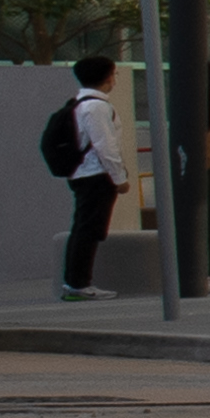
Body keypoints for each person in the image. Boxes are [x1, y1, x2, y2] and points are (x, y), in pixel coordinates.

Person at [44, 45, 120, 299]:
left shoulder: (78, 103)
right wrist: (120, 178)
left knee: (82, 228)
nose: (114, 79)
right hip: (96, 176)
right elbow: (105, 146)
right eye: (114, 74)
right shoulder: (97, 107)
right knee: (89, 230)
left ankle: (75, 283)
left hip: (80, 174)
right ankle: (79, 284)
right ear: (107, 76)